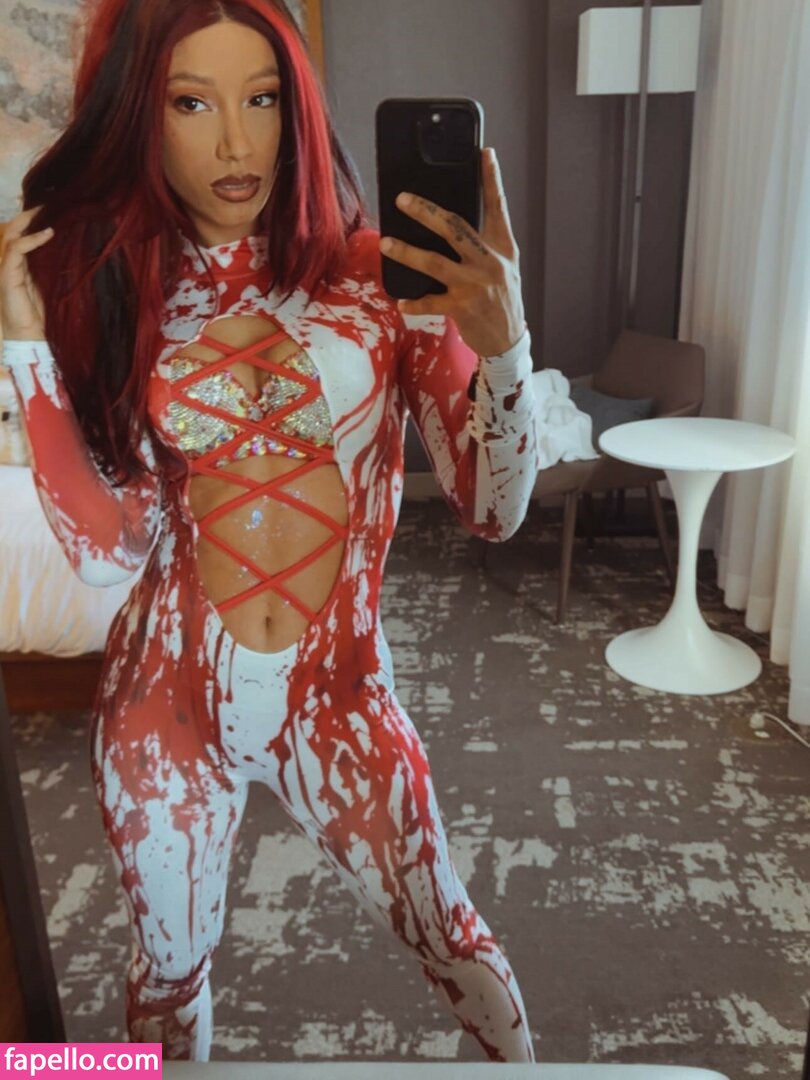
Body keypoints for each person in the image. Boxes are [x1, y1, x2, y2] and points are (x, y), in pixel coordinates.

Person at [0, 0, 538, 1063]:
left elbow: (492, 510)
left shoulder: (383, 279)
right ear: (141, 118)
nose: (236, 144)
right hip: (165, 706)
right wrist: (24, 347)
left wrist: (507, 346)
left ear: (298, 112)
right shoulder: (120, 293)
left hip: (340, 694)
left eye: (262, 99)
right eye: (191, 104)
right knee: (166, 978)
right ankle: (61, 1074)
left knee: (456, 942)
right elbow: (109, 552)